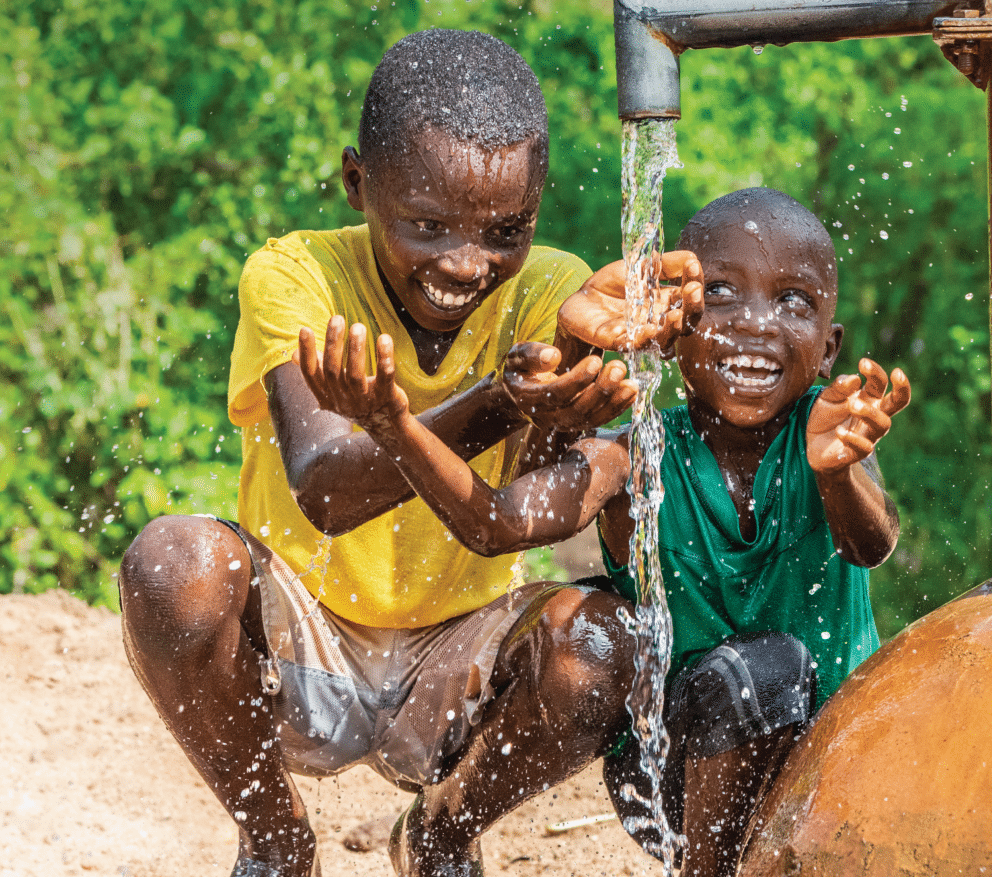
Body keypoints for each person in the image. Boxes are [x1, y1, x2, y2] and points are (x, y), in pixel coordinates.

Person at [118, 28, 701, 877]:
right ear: (358, 182)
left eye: (505, 230)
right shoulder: (295, 277)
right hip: (298, 644)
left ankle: (440, 833)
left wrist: (568, 399)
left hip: (454, 663)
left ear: (536, 210)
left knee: (607, 642)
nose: (466, 264)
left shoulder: (550, 290)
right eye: (428, 225)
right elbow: (324, 487)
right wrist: (496, 396)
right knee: (172, 563)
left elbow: (515, 515)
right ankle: (277, 842)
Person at [318, 187, 911, 876]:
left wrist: (837, 475)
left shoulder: (829, 430)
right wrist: (396, 428)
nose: (755, 323)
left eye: (793, 302)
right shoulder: (635, 455)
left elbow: (871, 544)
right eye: (719, 293)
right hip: (673, 780)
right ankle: (454, 827)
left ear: (829, 346)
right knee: (725, 656)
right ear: (673, 323)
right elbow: (497, 522)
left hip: (830, 772)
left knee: (801, 675)